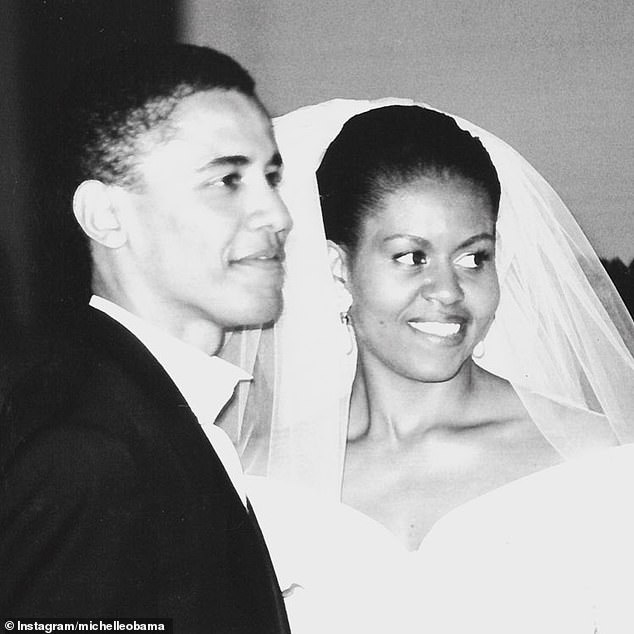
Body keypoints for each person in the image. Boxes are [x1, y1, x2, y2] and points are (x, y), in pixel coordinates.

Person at [227, 99, 634, 633]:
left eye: (473, 258)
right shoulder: (264, 484)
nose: (447, 291)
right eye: (411, 257)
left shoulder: (594, 464)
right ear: (338, 267)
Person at [0, 43, 292, 633]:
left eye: (271, 177)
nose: (278, 214)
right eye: (228, 180)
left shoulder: (146, 410)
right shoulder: (88, 452)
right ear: (107, 216)